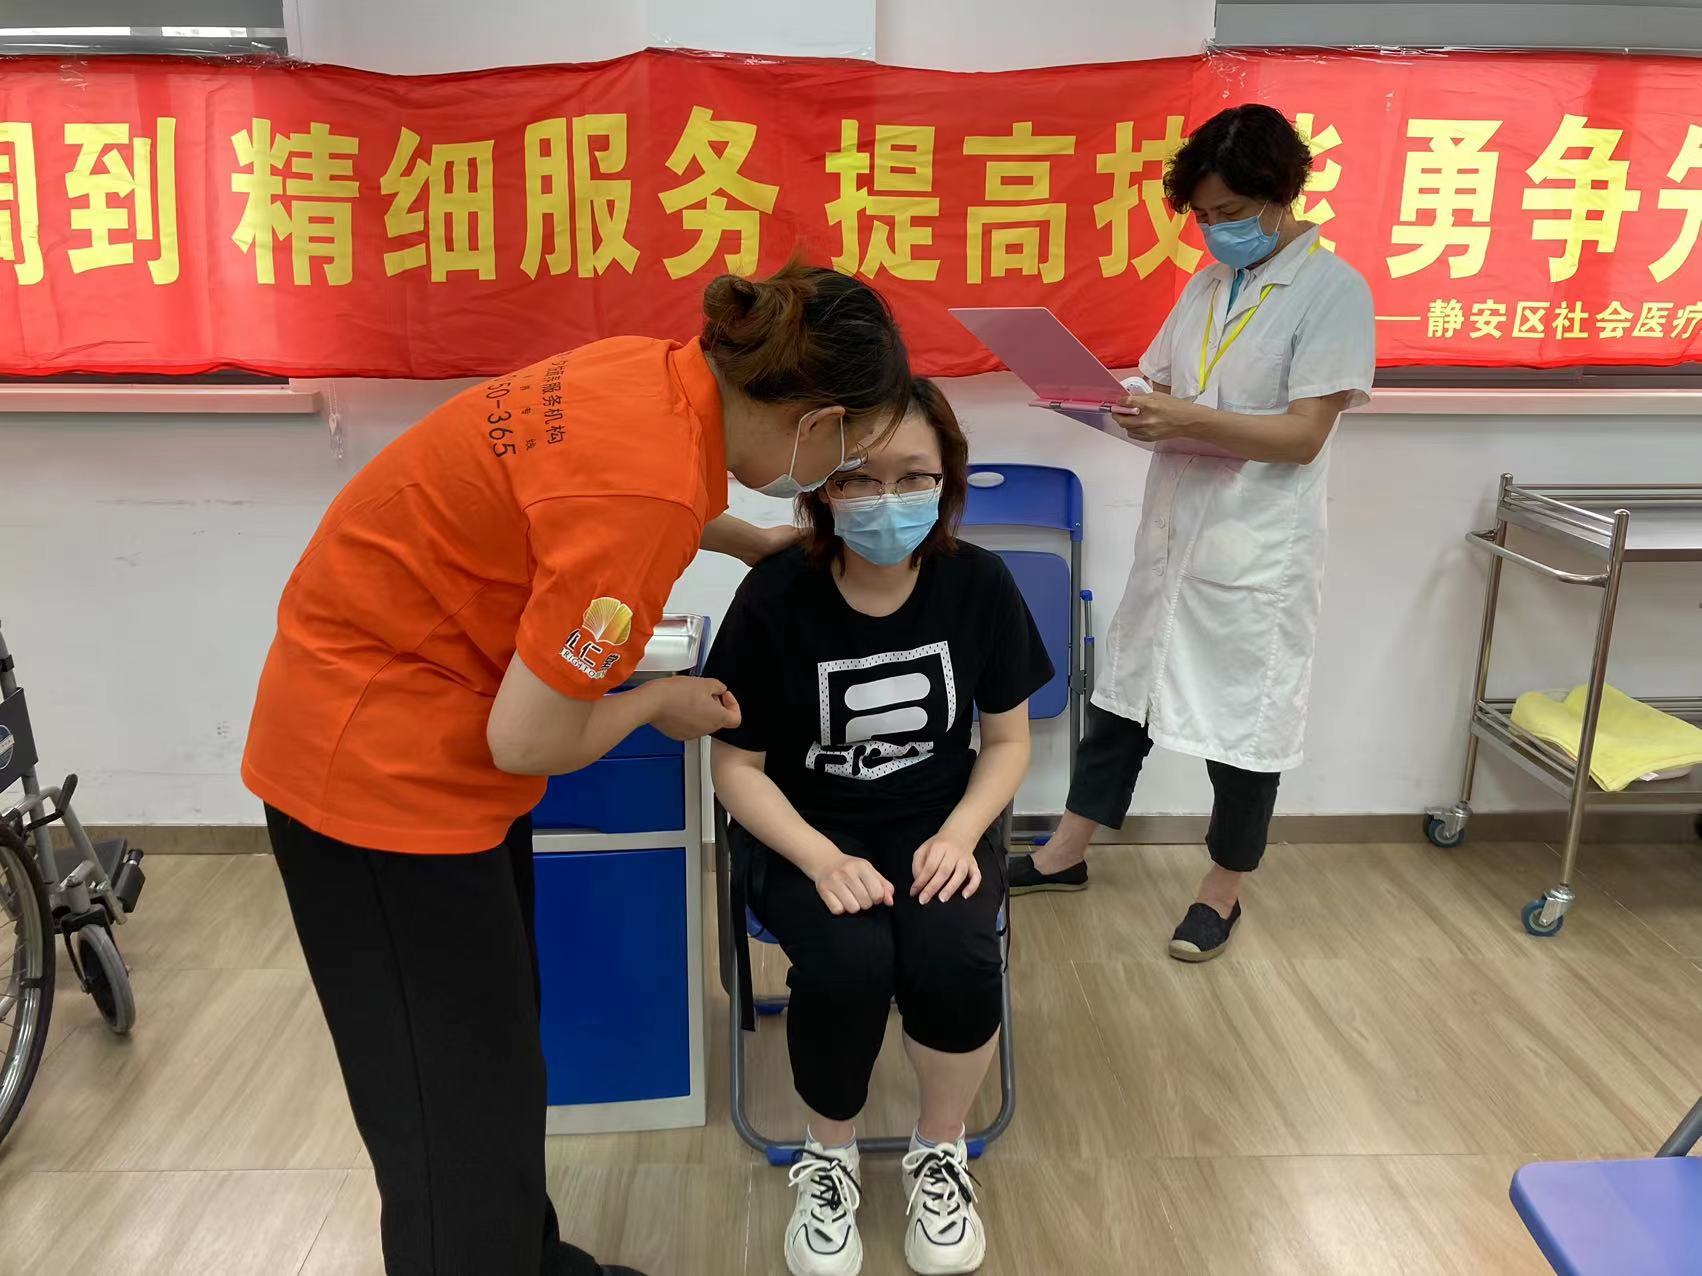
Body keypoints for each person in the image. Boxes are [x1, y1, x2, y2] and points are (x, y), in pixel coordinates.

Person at [241, 263, 912, 1276]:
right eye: (851, 459)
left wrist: (744, 540)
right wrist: (656, 702)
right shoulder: (643, 495)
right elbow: (527, 740)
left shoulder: (653, 376)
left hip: (411, 723)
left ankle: (527, 1255)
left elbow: (608, 486)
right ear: (813, 422)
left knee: (498, 1060)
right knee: (449, 1104)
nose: (846, 479)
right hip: (376, 779)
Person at [1010, 103, 1376, 963]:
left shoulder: (1333, 292)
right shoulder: (1207, 286)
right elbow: (1166, 390)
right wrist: (1108, 405)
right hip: (1176, 529)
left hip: (1257, 550)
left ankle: (1222, 891)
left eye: (1230, 213)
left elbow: (1303, 436)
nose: (1215, 231)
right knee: (1122, 700)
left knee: (1244, 730)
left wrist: (1184, 418)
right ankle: (1065, 854)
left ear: (1281, 193)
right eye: (1204, 216)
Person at [708, 380, 1052, 1276]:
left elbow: (1008, 741)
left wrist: (962, 832)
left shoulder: (978, 584)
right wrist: (822, 859)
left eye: (913, 476)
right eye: (859, 477)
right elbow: (736, 769)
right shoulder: (776, 595)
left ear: (947, 480)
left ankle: (939, 1149)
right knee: (849, 961)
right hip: (803, 830)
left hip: (940, 823)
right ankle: (830, 1157)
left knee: (955, 954)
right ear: (821, 484)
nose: (886, 498)